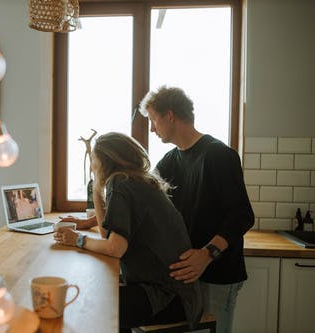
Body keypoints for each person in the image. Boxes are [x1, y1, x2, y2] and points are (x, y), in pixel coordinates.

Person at [54, 132, 203, 333]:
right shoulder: (136, 180)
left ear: (106, 160)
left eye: (94, 160)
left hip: (166, 298)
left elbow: (115, 248)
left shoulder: (120, 183)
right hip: (178, 295)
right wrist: (97, 189)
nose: (92, 166)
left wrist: (77, 240)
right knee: (99, 297)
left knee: (85, 305)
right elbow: (108, 235)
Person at [138, 86, 255, 333]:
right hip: (188, 274)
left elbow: (242, 215)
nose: (151, 128)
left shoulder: (219, 155)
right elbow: (143, 198)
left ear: (170, 115)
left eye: (152, 120)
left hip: (218, 272)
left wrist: (206, 254)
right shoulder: (170, 160)